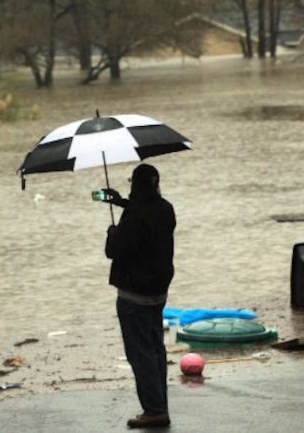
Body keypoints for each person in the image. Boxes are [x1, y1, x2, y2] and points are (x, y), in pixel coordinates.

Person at [102, 163, 176, 429]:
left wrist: (112, 233)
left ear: (135, 184)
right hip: (158, 293)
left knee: (140, 353)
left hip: (134, 296)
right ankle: (160, 404)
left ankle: (154, 410)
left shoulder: (134, 216)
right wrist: (121, 202)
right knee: (155, 349)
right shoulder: (166, 209)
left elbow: (116, 250)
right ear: (156, 183)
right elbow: (148, 218)